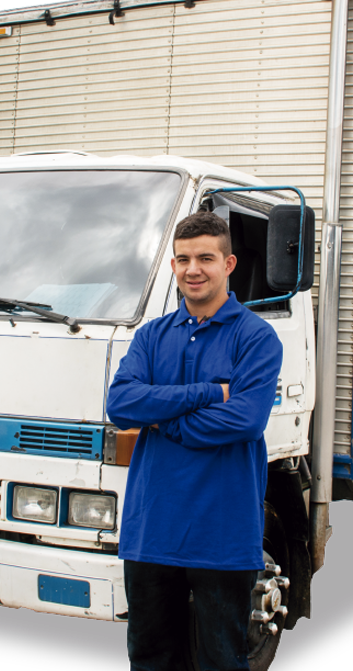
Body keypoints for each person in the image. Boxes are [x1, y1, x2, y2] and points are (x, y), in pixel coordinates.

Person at [106, 210, 284, 671]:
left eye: (206, 258)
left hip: (222, 534)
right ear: (172, 265)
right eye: (183, 259)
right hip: (151, 531)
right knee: (149, 659)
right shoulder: (151, 336)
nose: (193, 269)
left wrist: (162, 421)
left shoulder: (257, 338)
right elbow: (120, 404)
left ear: (229, 264)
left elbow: (245, 420)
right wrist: (206, 393)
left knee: (221, 661)